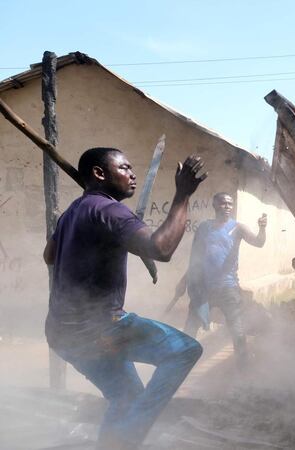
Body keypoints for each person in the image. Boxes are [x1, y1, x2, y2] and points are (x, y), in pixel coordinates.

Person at [44, 147, 207, 450]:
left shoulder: (71, 213)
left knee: (126, 396)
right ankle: (126, 440)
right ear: (98, 173)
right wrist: (183, 194)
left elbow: (49, 255)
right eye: (125, 168)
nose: (133, 175)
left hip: (62, 333)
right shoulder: (109, 210)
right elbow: (162, 249)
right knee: (185, 351)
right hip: (101, 329)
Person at [175, 192, 266, 368]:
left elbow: (258, 242)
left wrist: (262, 228)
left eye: (230, 204)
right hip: (203, 288)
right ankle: (182, 361)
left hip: (228, 288)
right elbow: (196, 258)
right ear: (215, 205)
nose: (227, 207)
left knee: (237, 329)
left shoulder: (238, 228)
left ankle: (243, 365)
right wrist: (184, 281)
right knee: (191, 326)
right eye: (223, 203)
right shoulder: (204, 228)